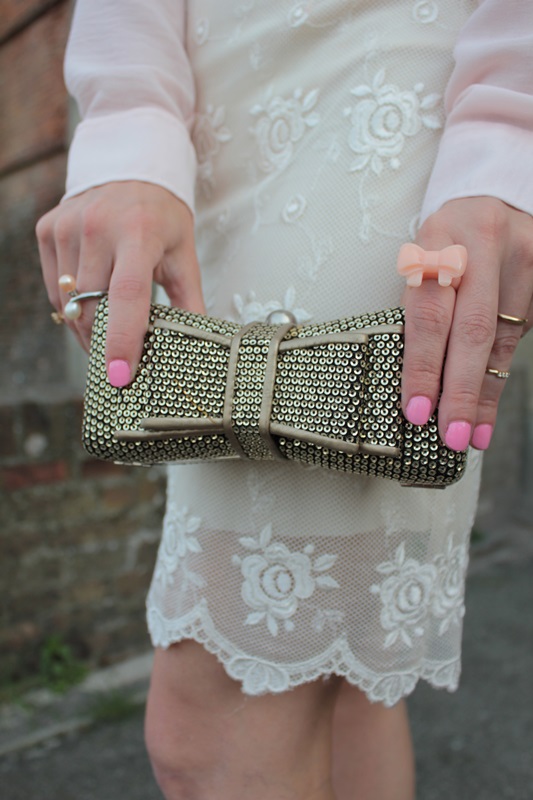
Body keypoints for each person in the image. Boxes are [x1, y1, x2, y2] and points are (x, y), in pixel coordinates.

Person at [36, 2, 533, 798]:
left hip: (381, 102)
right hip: (210, 127)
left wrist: (511, 134)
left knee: (212, 733)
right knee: (341, 695)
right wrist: (129, 125)